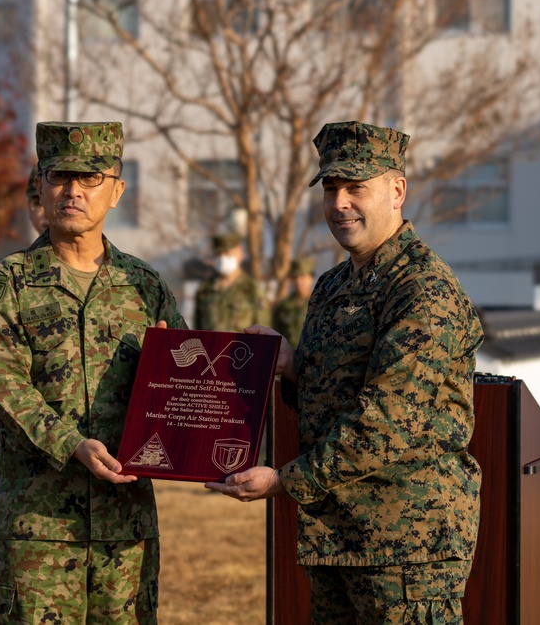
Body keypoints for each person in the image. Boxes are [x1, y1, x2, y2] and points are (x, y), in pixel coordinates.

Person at [206, 121, 485, 624]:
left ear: (397, 191)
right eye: (331, 188)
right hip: (338, 536)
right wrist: (290, 368)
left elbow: (386, 423)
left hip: (405, 550)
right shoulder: (334, 285)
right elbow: (330, 396)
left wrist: (284, 481)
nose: (339, 203)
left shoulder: (423, 291)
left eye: (357, 187)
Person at [0, 121, 186, 624]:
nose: (73, 191)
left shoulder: (144, 285)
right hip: (39, 525)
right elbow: (4, 386)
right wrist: (73, 444)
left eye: (90, 179)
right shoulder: (8, 283)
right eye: (59, 176)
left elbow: (187, 385)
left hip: (125, 521)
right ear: (41, 185)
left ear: (116, 190)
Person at [0, 167, 48, 495]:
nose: (45, 208)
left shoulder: (130, 279)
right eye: (36, 200)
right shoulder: (9, 277)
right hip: (27, 463)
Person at [193, 232, 269, 332]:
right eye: (218, 254)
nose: (222, 258)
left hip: (241, 347)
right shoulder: (205, 290)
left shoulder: (253, 289)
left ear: (240, 255)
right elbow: (198, 330)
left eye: (228, 254)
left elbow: (263, 332)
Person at [270, 256, 315, 349]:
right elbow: (275, 334)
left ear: (311, 278)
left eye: (302, 277)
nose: (298, 281)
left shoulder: (319, 303)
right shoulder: (284, 306)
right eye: (295, 278)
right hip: (288, 358)